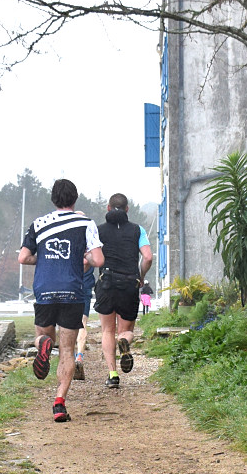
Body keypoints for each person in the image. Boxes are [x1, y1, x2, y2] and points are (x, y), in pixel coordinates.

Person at [18, 179, 104, 422]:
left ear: (53, 199)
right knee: (67, 349)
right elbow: (98, 260)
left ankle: (43, 343)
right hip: (72, 291)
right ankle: (59, 403)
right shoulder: (86, 224)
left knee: (43, 337)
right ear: (75, 199)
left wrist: (45, 257)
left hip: (44, 290)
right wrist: (81, 256)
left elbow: (23, 258)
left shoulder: (38, 223)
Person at [93, 193, 153, 388]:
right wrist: (141, 276)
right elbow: (148, 257)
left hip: (106, 283)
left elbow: (90, 257)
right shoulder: (138, 230)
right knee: (126, 331)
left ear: (108, 208)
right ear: (127, 209)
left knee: (107, 330)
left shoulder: (98, 230)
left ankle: (113, 375)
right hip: (129, 284)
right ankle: (124, 341)